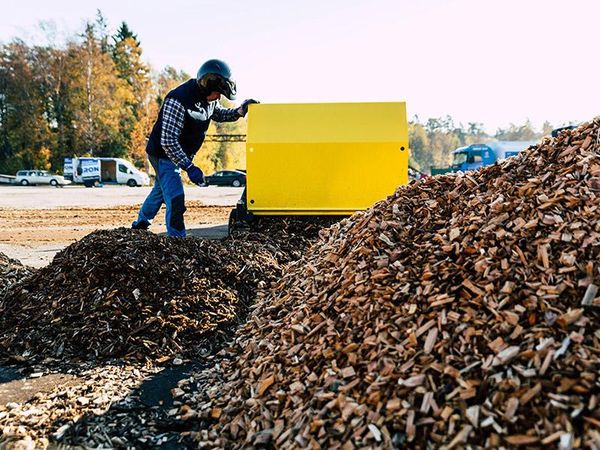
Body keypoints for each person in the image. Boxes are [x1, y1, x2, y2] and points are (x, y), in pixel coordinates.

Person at [132, 59, 257, 237]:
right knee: (175, 197)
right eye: (218, 93)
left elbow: (219, 113)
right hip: (163, 153)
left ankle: (140, 224)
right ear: (207, 87)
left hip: (179, 152)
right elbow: (168, 141)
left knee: (160, 190)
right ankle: (177, 240)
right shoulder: (178, 100)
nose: (219, 97)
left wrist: (239, 111)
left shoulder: (209, 101)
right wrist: (188, 167)